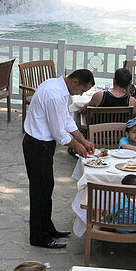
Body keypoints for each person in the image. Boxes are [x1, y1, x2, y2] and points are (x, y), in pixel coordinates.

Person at [23, 68, 95, 248]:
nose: (81, 94)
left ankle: (47, 227)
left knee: (47, 187)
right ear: (75, 82)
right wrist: (77, 146)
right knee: (39, 191)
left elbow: (66, 120)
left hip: (44, 145)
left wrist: (83, 140)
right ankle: (39, 237)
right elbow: (58, 132)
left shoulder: (61, 89)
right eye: (82, 91)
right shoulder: (54, 94)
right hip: (37, 144)